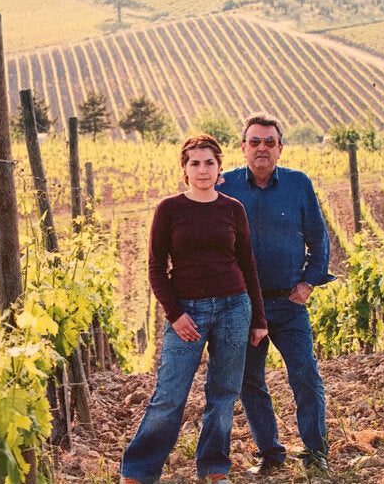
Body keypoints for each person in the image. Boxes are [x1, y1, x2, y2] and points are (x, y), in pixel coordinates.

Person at [121, 134, 268, 484]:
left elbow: (247, 264)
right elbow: (156, 266)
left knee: (223, 393)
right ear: (184, 169)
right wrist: (174, 314)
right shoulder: (169, 209)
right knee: (170, 395)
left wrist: (258, 318)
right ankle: (139, 472)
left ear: (219, 168)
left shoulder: (233, 209)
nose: (202, 169)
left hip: (235, 308)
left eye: (209, 163)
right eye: (194, 163)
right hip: (187, 312)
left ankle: (214, 470)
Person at [217, 113, 334, 475]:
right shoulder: (226, 185)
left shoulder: (299, 184)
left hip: (288, 302)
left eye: (269, 142)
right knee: (250, 380)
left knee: (305, 374)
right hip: (245, 306)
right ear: (243, 147)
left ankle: (316, 452)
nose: (262, 148)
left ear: (280, 148)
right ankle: (270, 453)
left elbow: (319, 238)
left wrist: (309, 282)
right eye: (255, 142)